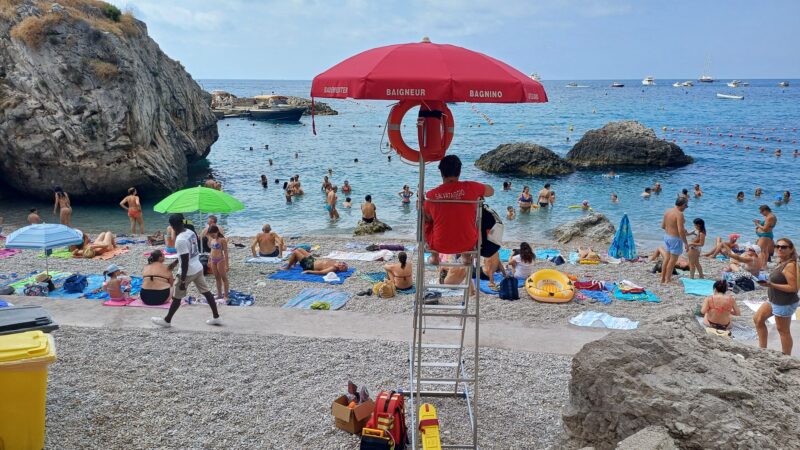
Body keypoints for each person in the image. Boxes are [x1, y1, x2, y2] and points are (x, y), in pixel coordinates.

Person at [152, 214, 221, 328]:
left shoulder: (180, 240)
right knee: (206, 292)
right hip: (198, 267)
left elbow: (185, 261)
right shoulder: (190, 232)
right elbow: (188, 253)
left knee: (177, 297)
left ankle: (167, 320)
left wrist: (183, 281)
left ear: (172, 226)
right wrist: (175, 263)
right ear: (182, 222)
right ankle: (216, 317)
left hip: (188, 272)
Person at [423, 155, 494, 262]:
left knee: (427, 221)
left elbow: (427, 218)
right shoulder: (471, 187)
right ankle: (466, 257)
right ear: (459, 172)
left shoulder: (431, 195)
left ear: (441, 173)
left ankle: (434, 257)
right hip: (467, 242)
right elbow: (491, 191)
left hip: (439, 244)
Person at [753, 238, 798, 355]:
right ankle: (762, 350)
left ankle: (786, 357)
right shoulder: (781, 261)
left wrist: (771, 284)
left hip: (784, 303)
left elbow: (794, 288)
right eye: (778, 246)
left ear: (791, 249)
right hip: (774, 300)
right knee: (758, 319)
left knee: (783, 331)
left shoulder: (790, 265)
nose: (779, 249)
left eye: (784, 247)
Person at [660, 197, 689, 284]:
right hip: (675, 239)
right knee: (672, 261)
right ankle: (668, 279)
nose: (686, 207)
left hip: (667, 237)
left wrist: (672, 228)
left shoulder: (667, 211)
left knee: (666, 259)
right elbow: (680, 231)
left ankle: (662, 278)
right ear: (682, 205)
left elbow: (662, 226)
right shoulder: (679, 214)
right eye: (686, 205)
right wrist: (686, 243)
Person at [282, 248, 348, 275]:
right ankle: (294, 263)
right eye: (343, 263)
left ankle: (288, 267)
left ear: (339, 269)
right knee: (300, 249)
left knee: (296, 252)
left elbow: (321, 272)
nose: (341, 264)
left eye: (342, 266)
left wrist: (308, 271)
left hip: (309, 265)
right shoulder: (336, 263)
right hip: (313, 260)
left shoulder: (333, 268)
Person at [206, 225, 229, 301]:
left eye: (213, 234)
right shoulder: (212, 240)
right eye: (210, 235)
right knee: (217, 278)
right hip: (213, 260)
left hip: (220, 260)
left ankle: (225, 295)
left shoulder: (222, 240)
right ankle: (219, 294)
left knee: (224, 278)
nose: (212, 236)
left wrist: (227, 265)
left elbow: (225, 252)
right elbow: (211, 251)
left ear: (217, 232)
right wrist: (209, 260)